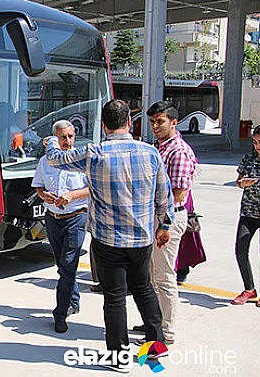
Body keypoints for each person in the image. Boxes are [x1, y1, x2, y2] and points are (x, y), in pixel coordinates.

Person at [44, 99, 173, 372]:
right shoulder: (150, 153)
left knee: (114, 297)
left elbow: (56, 161)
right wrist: (164, 225)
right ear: (130, 123)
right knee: (144, 289)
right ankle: (156, 345)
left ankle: (119, 357)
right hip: (141, 238)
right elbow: (164, 197)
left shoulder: (94, 153)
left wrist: (52, 143)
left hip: (108, 240)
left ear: (103, 125)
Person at [131, 101, 198, 345]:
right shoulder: (158, 148)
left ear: (173, 122)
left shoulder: (178, 151)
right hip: (153, 218)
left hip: (166, 219)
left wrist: (164, 226)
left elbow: (178, 195)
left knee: (164, 277)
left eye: (160, 121)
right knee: (150, 276)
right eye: (152, 122)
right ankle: (153, 322)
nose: (155, 126)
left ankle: (165, 333)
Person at [31, 120, 89, 333]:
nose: (67, 141)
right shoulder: (46, 161)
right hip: (53, 218)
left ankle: (60, 313)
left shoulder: (82, 160)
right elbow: (38, 186)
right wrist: (44, 194)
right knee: (63, 265)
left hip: (76, 217)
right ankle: (73, 299)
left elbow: (92, 188)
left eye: (70, 136)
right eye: (63, 137)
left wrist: (71, 195)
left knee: (67, 263)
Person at [231, 124, 260, 308]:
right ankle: (249, 289)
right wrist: (242, 183)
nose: (257, 146)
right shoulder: (249, 159)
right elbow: (238, 181)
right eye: (255, 142)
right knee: (240, 249)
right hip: (248, 211)